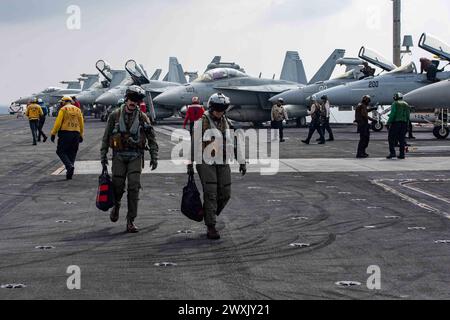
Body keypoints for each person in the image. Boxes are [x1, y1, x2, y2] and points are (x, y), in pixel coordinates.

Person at [100, 86, 159, 233]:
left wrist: (154, 156)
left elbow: (152, 139)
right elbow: (106, 137)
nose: (134, 102)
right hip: (119, 156)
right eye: (132, 99)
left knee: (134, 187)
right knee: (118, 186)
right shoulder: (114, 116)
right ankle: (117, 204)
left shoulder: (143, 117)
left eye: (137, 100)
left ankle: (131, 220)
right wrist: (103, 155)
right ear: (127, 99)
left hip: (135, 156)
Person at [190, 93, 247, 240]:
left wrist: (242, 161)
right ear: (211, 107)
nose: (219, 112)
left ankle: (209, 212)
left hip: (222, 161)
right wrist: (189, 164)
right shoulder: (201, 122)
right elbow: (193, 144)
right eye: (217, 109)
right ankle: (211, 226)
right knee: (211, 193)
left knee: (225, 193)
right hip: (206, 161)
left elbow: (234, 142)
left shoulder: (227, 122)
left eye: (222, 109)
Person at [50, 97, 84, 180]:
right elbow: (81, 123)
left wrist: (53, 133)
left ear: (64, 102)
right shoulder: (77, 109)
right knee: (72, 152)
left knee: (60, 151)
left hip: (65, 133)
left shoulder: (63, 109)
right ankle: (70, 173)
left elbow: (58, 123)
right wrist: (81, 134)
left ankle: (69, 166)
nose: (61, 103)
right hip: (76, 133)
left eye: (62, 102)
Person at [387, 93, 411, 160]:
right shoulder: (406, 104)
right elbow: (408, 115)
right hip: (404, 123)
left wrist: (388, 122)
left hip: (396, 123)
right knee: (402, 139)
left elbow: (393, 114)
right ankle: (402, 154)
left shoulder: (395, 103)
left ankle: (392, 153)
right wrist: (408, 124)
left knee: (391, 138)